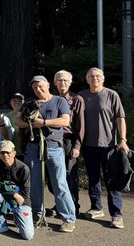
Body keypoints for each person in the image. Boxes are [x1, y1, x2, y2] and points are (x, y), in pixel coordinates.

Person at [15, 75, 76, 232]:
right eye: (35, 88)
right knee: (34, 182)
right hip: (33, 146)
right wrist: (31, 125)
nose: (38, 89)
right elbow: (17, 121)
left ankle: (68, 218)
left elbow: (65, 121)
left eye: (41, 86)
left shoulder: (59, 101)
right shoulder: (29, 102)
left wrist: (44, 123)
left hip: (54, 146)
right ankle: (37, 212)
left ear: (48, 85)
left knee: (59, 182)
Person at [78, 67, 128, 229]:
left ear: (103, 79)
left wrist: (123, 140)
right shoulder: (82, 96)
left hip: (109, 146)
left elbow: (120, 118)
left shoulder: (111, 95)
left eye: (98, 76)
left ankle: (116, 215)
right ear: (87, 80)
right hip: (88, 145)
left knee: (111, 180)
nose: (95, 79)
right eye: (91, 76)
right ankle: (96, 208)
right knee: (93, 179)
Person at [0, 140, 34, 240]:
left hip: (21, 201)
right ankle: (1, 222)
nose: (5, 155)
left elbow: (25, 192)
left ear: (14, 153)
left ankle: (17, 216)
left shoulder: (23, 168)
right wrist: (13, 194)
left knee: (28, 235)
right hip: (9, 197)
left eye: (8, 152)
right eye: (2, 152)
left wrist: (15, 197)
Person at [52, 70, 84, 214]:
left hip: (69, 140)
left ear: (70, 83)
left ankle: (73, 206)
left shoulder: (76, 99)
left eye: (65, 80)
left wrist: (77, 145)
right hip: (53, 139)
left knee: (70, 174)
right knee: (54, 175)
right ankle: (60, 203)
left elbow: (80, 125)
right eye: (59, 80)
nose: (62, 83)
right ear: (54, 83)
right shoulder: (51, 99)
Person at [5, 93, 25, 158]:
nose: (17, 103)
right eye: (14, 101)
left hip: (26, 152)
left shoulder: (27, 115)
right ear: (10, 102)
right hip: (12, 153)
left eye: (19, 101)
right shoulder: (7, 117)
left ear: (24, 103)